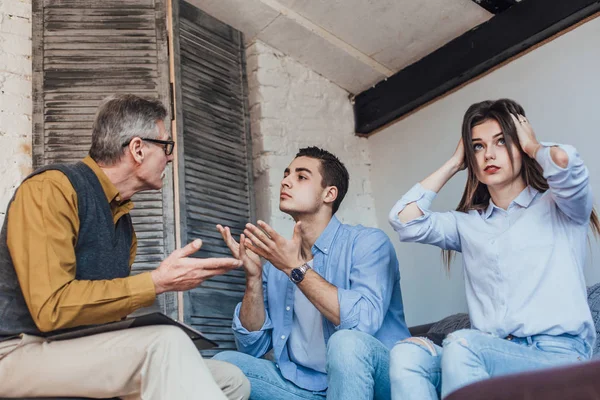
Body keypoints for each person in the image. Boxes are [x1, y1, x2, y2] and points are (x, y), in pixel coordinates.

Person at [0, 94, 250, 400]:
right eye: (166, 146)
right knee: (165, 343)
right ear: (137, 149)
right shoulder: (51, 190)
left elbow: (100, 311)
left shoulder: (122, 224)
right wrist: (156, 283)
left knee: (231, 379)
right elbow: (51, 307)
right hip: (17, 350)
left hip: (71, 346)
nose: (170, 158)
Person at [387, 98, 599, 399]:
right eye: (478, 146)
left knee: (462, 344)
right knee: (406, 356)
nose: (489, 154)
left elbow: (565, 162)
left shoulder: (561, 206)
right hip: (491, 352)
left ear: (519, 144)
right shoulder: (468, 224)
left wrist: (533, 146)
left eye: (501, 141)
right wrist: (453, 164)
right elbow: (403, 219)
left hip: (557, 354)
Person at [213, 146, 410, 400]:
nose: (286, 181)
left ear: (329, 194)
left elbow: (362, 324)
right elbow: (253, 347)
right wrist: (253, 278)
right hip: (308, 387)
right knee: (224, 365)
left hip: (375, 382)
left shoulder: (369, 243)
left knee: (346, 344)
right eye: (286, 174)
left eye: (301, 176)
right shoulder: (275, 264)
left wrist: (295, 268)